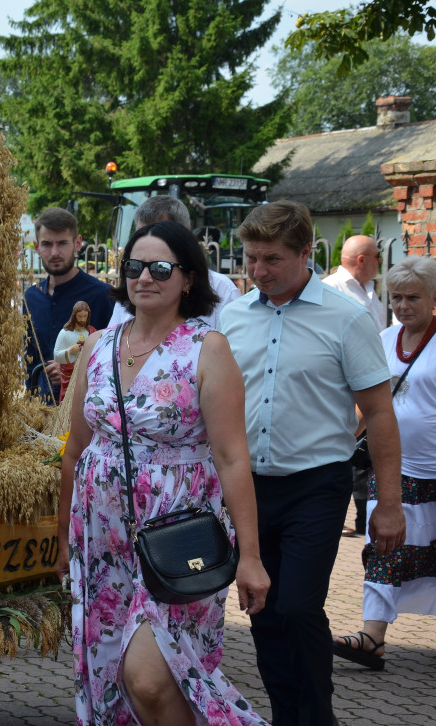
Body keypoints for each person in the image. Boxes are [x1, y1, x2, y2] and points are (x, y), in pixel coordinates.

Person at [56, 221, 271, 726]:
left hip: (179, 539)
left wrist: (251, 556)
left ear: (188, 277)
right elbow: (75, 450)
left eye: (160, 268)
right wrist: (62, 539)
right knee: (116, 676)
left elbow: (232, 458)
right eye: (134, 267)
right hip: (101, 540)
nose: (144, 278)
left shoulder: (207, 349)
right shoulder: (98, 347)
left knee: (152, 677)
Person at [219, 200, 406, 726]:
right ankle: (287, 715)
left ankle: (316, 716)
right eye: (251, 258)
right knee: (262, 609)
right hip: (249, 488)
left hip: (316, 487)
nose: (257, 271)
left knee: (297, 606)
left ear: (306, 253)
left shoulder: (346, 318)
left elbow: (379, 412)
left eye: (271, 259)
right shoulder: (231, 318)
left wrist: (387, 505)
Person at [333, 256, 436, 670]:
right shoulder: (383, 339)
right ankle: (372, 636)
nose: (403, 305)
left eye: (413, 297)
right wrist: (342, 443)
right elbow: (367, 403)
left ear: (433, 299)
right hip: (396, 465)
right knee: (384, 545)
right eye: (397, 297)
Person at [324, 234, 386, 536]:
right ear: (362, 259)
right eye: (378, 256)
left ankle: (361, 518)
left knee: (363, 453)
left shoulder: (371, 292)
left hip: (370, 383)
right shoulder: (330, 290)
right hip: (343, 388)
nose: (380, 263)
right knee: (344, 449)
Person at [106, 195, 241, 330]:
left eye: (160, 269)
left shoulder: (223, 290)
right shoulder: (133, 291)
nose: (144, 278)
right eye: (141, 234)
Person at [24, 207, 113, 403]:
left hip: (88, 411)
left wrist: (70, 369)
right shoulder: (31, 297)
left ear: (77, 243)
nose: (54, 252)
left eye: (62, 243)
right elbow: (29, 360)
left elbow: (115, 359)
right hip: (41, 411)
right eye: (47, 244)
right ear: (37, 247)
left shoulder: (102, 296)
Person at [53, 301, 94, 403]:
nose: (82, 319)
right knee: (69, 402)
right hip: (70, 376)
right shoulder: (65, 333)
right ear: (74, 316)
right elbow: (56, 355)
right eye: (80, 316)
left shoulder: (92, 332)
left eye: (85, 316)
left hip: (87, 376)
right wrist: (69, 351)